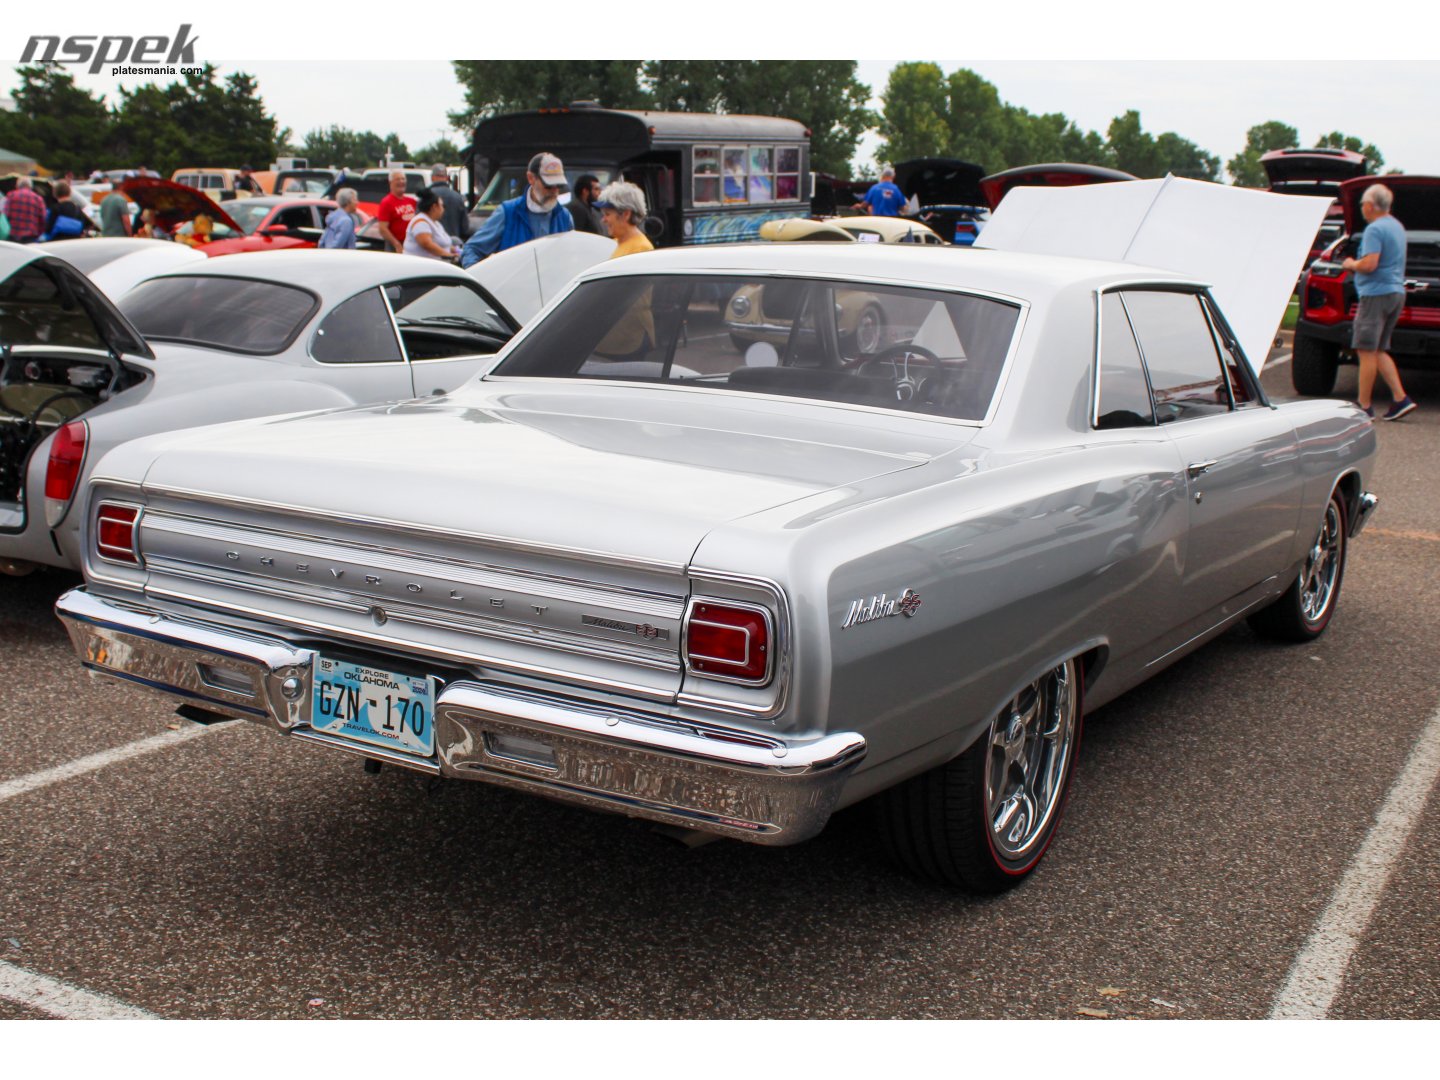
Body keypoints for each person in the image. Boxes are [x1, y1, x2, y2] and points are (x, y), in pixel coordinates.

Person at [1342, 184, 1417, 420]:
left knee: (1365, 349)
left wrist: (1351, 264)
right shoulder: (1397, 226)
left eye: (1363, 203)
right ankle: (1400, 399)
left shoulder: (1374, 229)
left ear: (1371, 205)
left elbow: (1370, 263)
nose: (1361, 208)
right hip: (1396, 292)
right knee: (1379, 349)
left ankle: (1364, 405)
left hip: (1375, 294)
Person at [459, 152, 573, 267]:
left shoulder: (565, 217)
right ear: (531, 178)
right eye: (548, 185)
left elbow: (572, 257)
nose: (554, 191)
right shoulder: (507, 213)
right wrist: (480, 279)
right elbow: (472, 249)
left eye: (558, 185)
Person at [594, 181, 653, 259]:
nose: (603, 220)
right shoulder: (614, 243)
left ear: (626, 214)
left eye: (607, 214)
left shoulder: (640, 249)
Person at [403, 189, 462, 260]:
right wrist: (448, 255)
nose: (443, 209)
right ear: (434, 207)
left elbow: (442, 244)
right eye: (442, 206)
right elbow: (426, 244)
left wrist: (456, 250)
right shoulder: (420, 222)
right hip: (421, 267)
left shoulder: (435, 223)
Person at [377, 170, 417, 253]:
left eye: (403, 179)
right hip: (395, 247)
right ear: (391, 182)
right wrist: (396, 244)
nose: (401, 182)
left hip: (411, 244)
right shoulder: (386, 202)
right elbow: (383, 228)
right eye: (398, 179)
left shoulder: (411, 201)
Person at [428, 164, 471, 241]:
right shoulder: (458, 197)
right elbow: (465, 228)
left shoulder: (425, 197)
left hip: (431, 246)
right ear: (447, 178)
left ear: (432, 178)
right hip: (453, 246)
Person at [4, 177, 47, 243]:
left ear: (17, 186)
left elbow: (4, 215)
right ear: (31, 186)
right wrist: (38, 234)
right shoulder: (38, 199)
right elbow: (43, 219)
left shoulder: (10, 196)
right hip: (30, 237)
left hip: (12, 236)